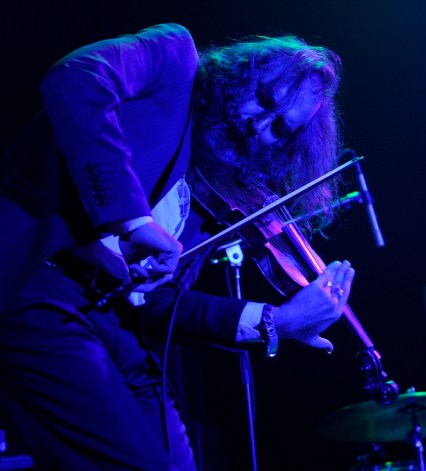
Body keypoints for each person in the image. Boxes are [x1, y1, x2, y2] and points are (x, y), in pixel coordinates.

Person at [0, 23, 356, 470]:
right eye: (265, 100)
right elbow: (75, 78)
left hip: (116, 327)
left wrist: (274, 321)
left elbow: (157, 307)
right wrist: (131, 218)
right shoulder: (173, 58)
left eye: (281, 128)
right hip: (41, 282)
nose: (258, 125)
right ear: (243, 72)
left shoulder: (216, 190)